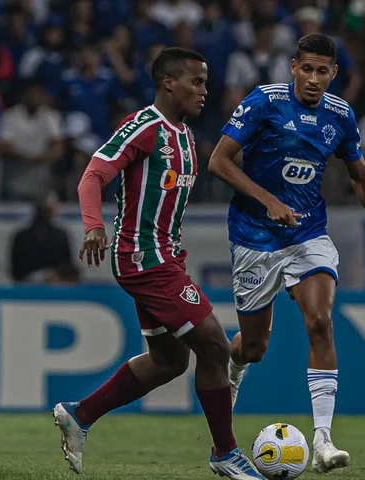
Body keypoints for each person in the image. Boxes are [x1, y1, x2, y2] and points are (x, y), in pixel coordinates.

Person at [53, 47, 264, 480]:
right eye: (197, 81)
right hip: (144, 259)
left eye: (206, 82)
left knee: (170, 362)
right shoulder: (144, 128)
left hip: (167, 259)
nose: (205, 91)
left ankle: (81, 414)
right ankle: (225, 453)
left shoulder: (184, 135)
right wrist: (94, 226)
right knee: (216, 346)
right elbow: (93, 174)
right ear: (169, 82)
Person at [208, 33, 365, 474]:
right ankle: (234, 370)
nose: (313, 79)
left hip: (307, 233)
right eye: (306, 69)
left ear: (334, 73)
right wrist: (267, 199)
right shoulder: (263, 102)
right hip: (254, 236)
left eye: (322, 71)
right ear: (293, 66)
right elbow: (219, 161)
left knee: (320, 322)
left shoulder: (340, 115)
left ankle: (323, 443)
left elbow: (360, 175)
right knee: (254, 347)